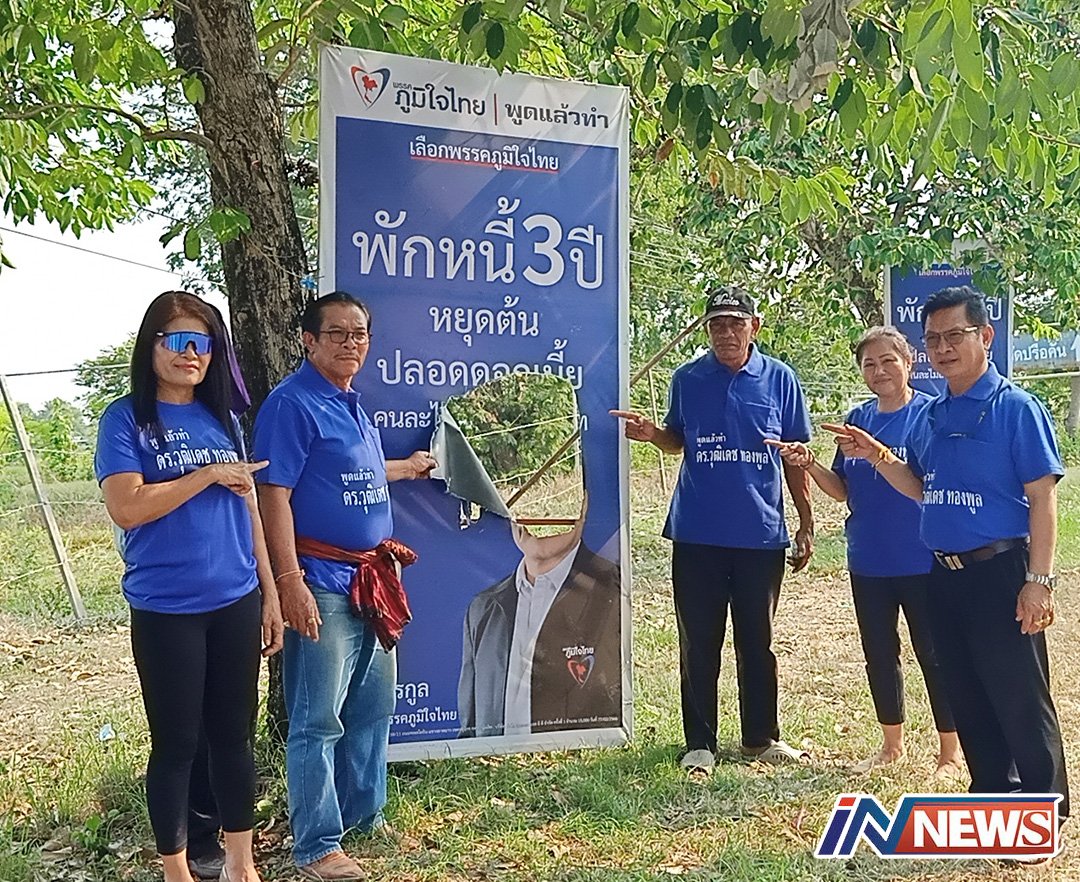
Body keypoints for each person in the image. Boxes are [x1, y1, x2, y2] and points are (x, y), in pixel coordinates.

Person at [826, 286, 1069, 824]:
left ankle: (1041, 816)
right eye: (933, 339)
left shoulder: (1015, 409)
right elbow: (919, 486)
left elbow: (1042, 499)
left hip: (1000, 572)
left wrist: (1039, 580)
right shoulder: (931, 416)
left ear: (985, 336)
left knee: (1019, 698)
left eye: (955, 335)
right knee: (967, 692)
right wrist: (876, 455)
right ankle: (993, 798)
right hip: (941, 573)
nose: (943, 348)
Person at [95, 291, 283, 882]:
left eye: (204, 344)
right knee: (176, 744)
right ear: (150, 346)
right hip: (166, 608)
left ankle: (241, 865)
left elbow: (248, 508)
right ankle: (177, 870)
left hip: (235, 599)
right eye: (178, 341)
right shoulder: (125, 419)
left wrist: (270, 592)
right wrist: (203, 475)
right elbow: (127, 507)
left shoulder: (223, 419)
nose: (192, 354)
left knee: (234, 737)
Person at [254, 291, 436, 882]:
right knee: (317, 720)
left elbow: (354, 473)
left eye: (359, 334)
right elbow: (274, 495)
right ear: (309, 340)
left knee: (373, 709)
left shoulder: (353, 404)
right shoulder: (291, 404)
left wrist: (406, 467)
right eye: (337, 333)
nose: (350, 343)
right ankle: (317, 846)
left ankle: (364, 819)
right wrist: (289, 582)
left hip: (372, 581)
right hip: (323, 582)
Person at [611, 285, 814, 773]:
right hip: (696, 532)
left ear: (754, 328)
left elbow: (795, 458)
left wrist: (806, 521)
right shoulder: (687, 379)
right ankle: (699, 743)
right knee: (698, 641)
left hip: (760, 534)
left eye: (735, 323)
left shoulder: (781, 379)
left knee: (757, 642)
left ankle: (760, 738)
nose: (726, 333)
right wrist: (651, 434)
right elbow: (676, 439)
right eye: (717, 324)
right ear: (707, 331)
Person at [766, 327, 962, 776]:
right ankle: (892, 746)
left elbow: (934, 484)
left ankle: (950, 752)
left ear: (909, 363)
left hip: (924, 557)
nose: (879, 371)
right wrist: (809, 463)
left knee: (935, 655)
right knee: (879, 654)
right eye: (869, 364)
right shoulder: (857, 419)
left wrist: (884, 455)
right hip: (869, 559)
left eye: (888, 360)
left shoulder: (931, 414)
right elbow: (842, 490)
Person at [458, 495, 621, 738]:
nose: (539, 517)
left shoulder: (615, 592)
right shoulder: (483, 608)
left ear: (585, 505)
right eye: (520, 499)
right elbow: (471, 729)